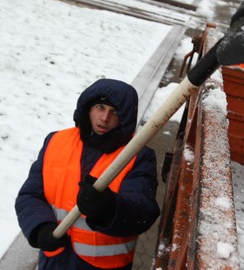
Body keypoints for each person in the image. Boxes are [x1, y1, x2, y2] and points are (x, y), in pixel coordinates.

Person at [15, 79, 160, 270]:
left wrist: (109, 209)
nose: (104, 118)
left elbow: (143, 211)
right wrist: (39, 227)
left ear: (125, 116)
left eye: (114, 111)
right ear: (88, 108)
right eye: (100, 107)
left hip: (103, 266)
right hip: (54, 260)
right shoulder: (56, 141)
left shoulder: (137, 156)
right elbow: (30, 195)